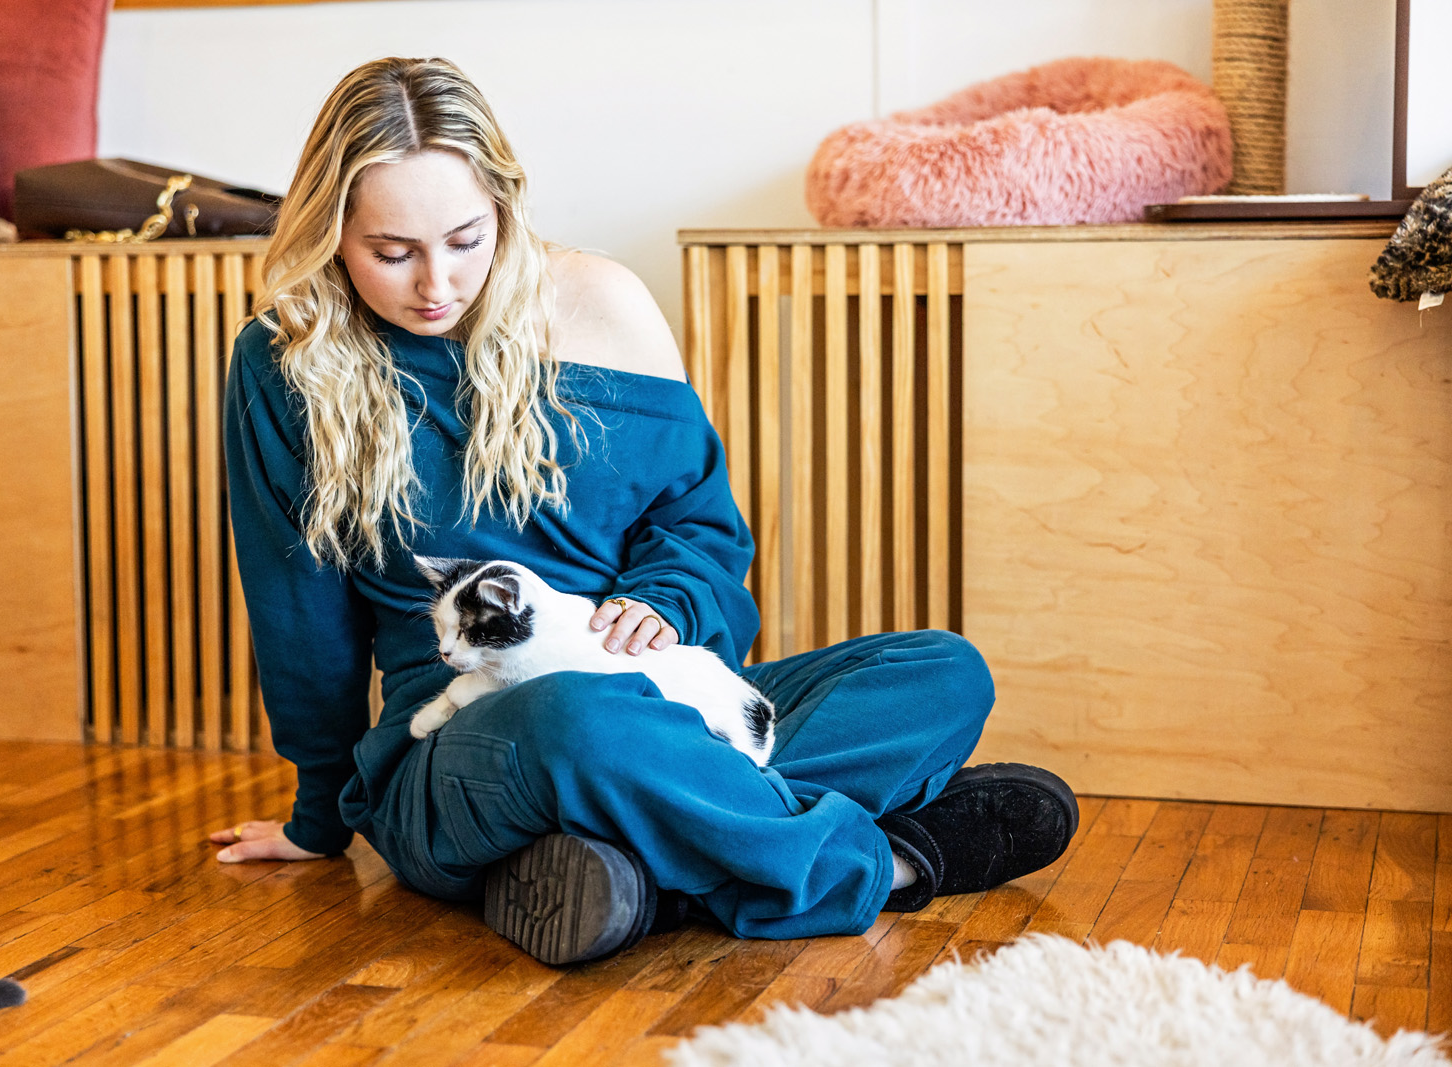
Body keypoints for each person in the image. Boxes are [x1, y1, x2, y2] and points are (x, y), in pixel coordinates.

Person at [211, 56, 1078, 966]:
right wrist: (320, 816)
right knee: (579, 724)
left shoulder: (604, 304)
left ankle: (633, 877)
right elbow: (296, 617)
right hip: (475, 740)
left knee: (941, 670)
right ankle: (894, 863)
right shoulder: (285, 361)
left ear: (505, 203)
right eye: (392, 254)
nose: (436, 284)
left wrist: (664, 601)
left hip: (664, 696)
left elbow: (701, 530)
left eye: (466, 239)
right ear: (332, 235)